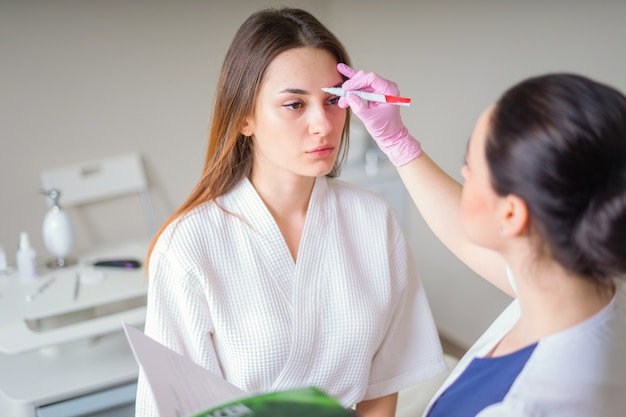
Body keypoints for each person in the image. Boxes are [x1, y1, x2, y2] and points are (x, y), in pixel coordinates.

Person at [135, 8, 447, 417]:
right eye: (295, 104)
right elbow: (176, 407)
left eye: (334, 100)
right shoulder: (189, 245)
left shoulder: (374, 220)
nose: (323, 124)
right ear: (245, 117)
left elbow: (382, 383)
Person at [336, 64, 626, 416]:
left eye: (470, 166)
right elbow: (465, 234)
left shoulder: (529, 405)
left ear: (511, 215)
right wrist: (396, 140)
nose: (463, 174)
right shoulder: (584, 284)